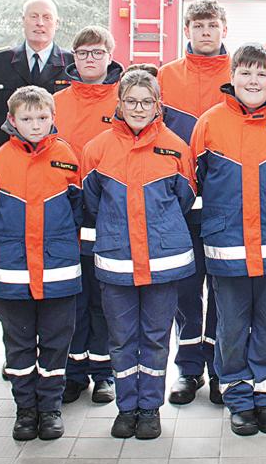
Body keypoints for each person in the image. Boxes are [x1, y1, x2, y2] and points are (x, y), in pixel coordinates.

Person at [190, 44, 266, 436]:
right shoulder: (209, 124)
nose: (253, 80)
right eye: (245, 72)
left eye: (261, 73)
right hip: (228, 246)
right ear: (232, 77)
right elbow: (198, 179)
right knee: (231, 326)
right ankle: (239, 400)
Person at [83, 65, 197, 440]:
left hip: (163, 263)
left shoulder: (176, 147)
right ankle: (126, 407)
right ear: (119, 103)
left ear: (158, 105)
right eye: (131, 101)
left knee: (155, 338)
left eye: (146, 102)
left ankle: (149, 408)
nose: (138, 108)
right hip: (117, 261)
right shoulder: (97, 150)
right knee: (121, 339)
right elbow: (92, 202)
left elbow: (184, 198)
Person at [0, 86, 82, 441]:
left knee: (56, 343)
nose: (35, 125)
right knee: (18, 345)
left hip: (58, 272)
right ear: (11, 120)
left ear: (53, 117)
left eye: (42, 117)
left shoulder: (67, 156)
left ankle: (50, 408)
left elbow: (78, 207)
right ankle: (25, 409)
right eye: (26, 118)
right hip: (14, 274)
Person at [158, 0, 230, 405]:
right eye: (198, 25)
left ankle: (220, 368)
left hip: (225, 200)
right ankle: (188, 370)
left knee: (222, 288)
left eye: (212, 25)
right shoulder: (166, 76)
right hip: (179, 202)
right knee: (186, 289)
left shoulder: (238, 72)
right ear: (187, 31)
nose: (206, 32)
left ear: (224, 30)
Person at [53, 25, 124, 405]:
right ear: (73, 58)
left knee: (104, 297)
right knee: (72, 297)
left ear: (110, 56)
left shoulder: (124, 98)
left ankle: (104, 373)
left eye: (98, 52)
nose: (90, 59)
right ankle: (73, 372)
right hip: (65, 211)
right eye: (83, 53)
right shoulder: (56, 102)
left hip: (109, 210)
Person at [0, 0, 74, 152]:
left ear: (56, 23)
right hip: (7, 154)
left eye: (47, 17)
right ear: (23, 20)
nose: (40, 23)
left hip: (55, 155)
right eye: (34, 16)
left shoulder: (72, 64)